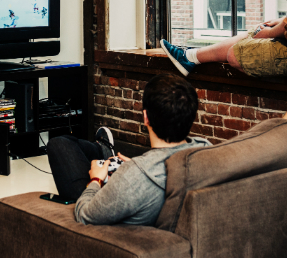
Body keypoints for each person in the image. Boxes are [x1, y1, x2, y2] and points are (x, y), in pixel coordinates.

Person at [46, 73, 210, 226]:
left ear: (146, 117)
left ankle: (102, 150)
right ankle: (102, 149)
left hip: (110, 228)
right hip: (137, 189)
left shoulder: (134, 177)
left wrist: (96, 180)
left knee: (58, 145)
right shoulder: (205, 150)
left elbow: (84, 215)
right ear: (192, 115)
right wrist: (135, 165)